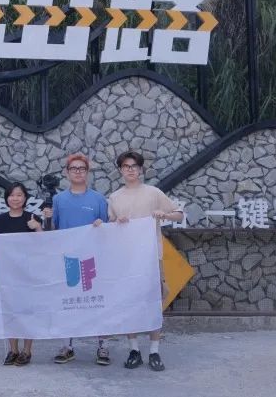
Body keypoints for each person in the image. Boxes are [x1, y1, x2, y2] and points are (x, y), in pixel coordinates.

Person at [107, 151, 183, 372]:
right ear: (120, 170)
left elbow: (179, 213)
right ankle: (134, 350)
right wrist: (116, 222)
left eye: (134, 166)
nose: (130, 169)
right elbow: (109, 228)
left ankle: (154, 351)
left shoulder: (153, 192)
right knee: (129, 303)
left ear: (140, 169)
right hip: (126, 259)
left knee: (154, 302)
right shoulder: (115, 197)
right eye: (126, 166)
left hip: (151, 257)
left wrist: (164, 215)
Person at [41, 153, 110, 365]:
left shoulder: (98, 199)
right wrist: (46, 219)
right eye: (74, 168)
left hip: (93, 258)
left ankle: (103, 346)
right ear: (67, 173)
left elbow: (107, 229)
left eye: (82, 168)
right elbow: (54, 229)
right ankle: (67, 346)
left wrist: (101, 225)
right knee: (68, 301)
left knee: (97, 301)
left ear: (87, 172)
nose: (78, 172)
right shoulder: (58, 200)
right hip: (68, 258)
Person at [0, 182, 43, 366]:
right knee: (9, 310)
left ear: (25, 198)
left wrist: (37, 228)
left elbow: (44, 244)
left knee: (28, 311)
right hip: (6, 274)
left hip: (28, 273)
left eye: (19, 195)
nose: (15, 198)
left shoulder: (33, 218)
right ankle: (12, 350)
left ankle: (27, 351)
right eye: (12, 195)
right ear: (6, 198)